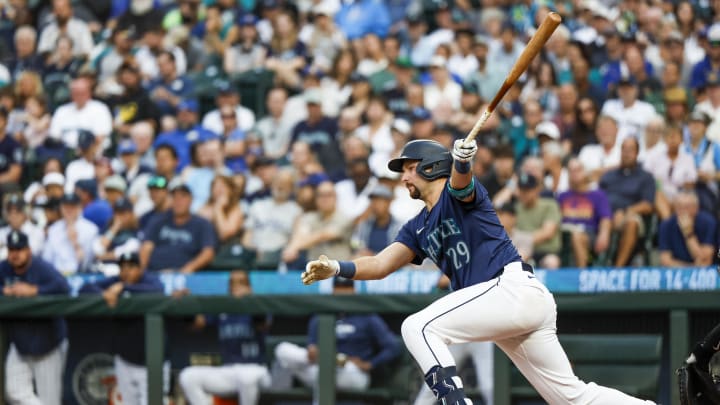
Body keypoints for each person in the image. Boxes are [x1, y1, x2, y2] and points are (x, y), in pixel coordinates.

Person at [300, 139, 656, 405]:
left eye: (408, 166)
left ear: (428, 167)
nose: (403, 175)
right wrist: (336, 266)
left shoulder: (456, 195)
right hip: (508, 307)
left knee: (417, 326)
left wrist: (462, 162)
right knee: (570, 398)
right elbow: (379, 265)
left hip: (510, 288)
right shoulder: (416, 227)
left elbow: (461, 183)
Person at [274, 276, 400, 393]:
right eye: (339, 288)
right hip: (322, 367)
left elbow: (393, 347)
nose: (342, 292)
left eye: (346, 288)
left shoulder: (367, 316)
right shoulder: (321, 315)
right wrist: (312, 352)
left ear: (353, 290)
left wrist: (370, 364)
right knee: (282, 349)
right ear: (333, 290)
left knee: (344, 369)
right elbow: (312, 346)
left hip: (352, 373)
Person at [79, 251, 164, 405]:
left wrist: (124, 288)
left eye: (131, 267)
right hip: (125, 360)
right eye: (123, 267)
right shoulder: (116, 280)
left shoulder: (149, 280)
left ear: (140, 268)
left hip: (152, 363)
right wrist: (104, 294)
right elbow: (84, 288)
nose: (126, 271)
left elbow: (158, 291)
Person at [179, 270, 272, 405]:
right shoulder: (223, 307)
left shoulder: (258, 304)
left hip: (256, 369)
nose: (236, 286)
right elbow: (197, 324)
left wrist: (250, 300)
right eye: (232, 283)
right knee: (188, 376)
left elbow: (263, 324)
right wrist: (187, 303)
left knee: (246, 377)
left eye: (241, 282)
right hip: (228, 370)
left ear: (250, 287)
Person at [0, 230, 70, 405]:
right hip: (20, 345)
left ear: (28, 250)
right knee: (13, 392)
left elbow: (64, 287)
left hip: (47, 345)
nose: (15, 254)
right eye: (11, 250)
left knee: (51, 401)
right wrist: (3, 291)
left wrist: (36, 291)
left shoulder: (41, 267)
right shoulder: (4, 268)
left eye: (19, 249)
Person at [599, 137, 656, 267]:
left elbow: (648, 205)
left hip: (630, 216)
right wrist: (607, 216)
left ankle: (618, 268)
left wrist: (625, 212)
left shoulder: (645, 177)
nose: (626, 153)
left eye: (630, 150)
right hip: (606, 217)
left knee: (631, 222)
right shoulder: (609, 175)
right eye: (624, 149)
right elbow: (598, 199)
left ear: (637, 153)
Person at [140, 181, 217, 273]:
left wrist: (188, 269)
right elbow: (146, 247)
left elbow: (208, 252)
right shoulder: (158, 221)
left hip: (185, 275)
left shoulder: (202, 224)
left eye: (183, 197)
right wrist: (142, 271)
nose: (178, 201)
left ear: (191, 200)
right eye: (175, 197)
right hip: (154, 273)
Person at [557, 158, 612, 268]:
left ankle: (582, 273)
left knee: (576, 235)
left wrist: (604, 234)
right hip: (564, 234)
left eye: (578, 170)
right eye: (571, 171)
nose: (574, 174)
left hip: (588, 233)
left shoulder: (597, 195)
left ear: (586, 172)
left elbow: (606, 217)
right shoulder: (562, 196)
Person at [42, 192, 99, 274]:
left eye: (72, 207)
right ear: (61, 208)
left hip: (80, 275)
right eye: (66, 207)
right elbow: (47, 259)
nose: (69, 210)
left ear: (79, 207)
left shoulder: (91, 229)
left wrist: (75, 243)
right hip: (57, 275)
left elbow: (88, 263)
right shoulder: (54, 229)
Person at [658, 191, 717, 267]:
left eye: (687, 207)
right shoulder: (666, 225)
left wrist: (689, 234)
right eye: (679, 207)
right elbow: (665, 260)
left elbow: (705, 260)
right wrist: (691, 268)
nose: (683, 211)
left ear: (696, 208)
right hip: (680, 271)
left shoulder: (708, 222)